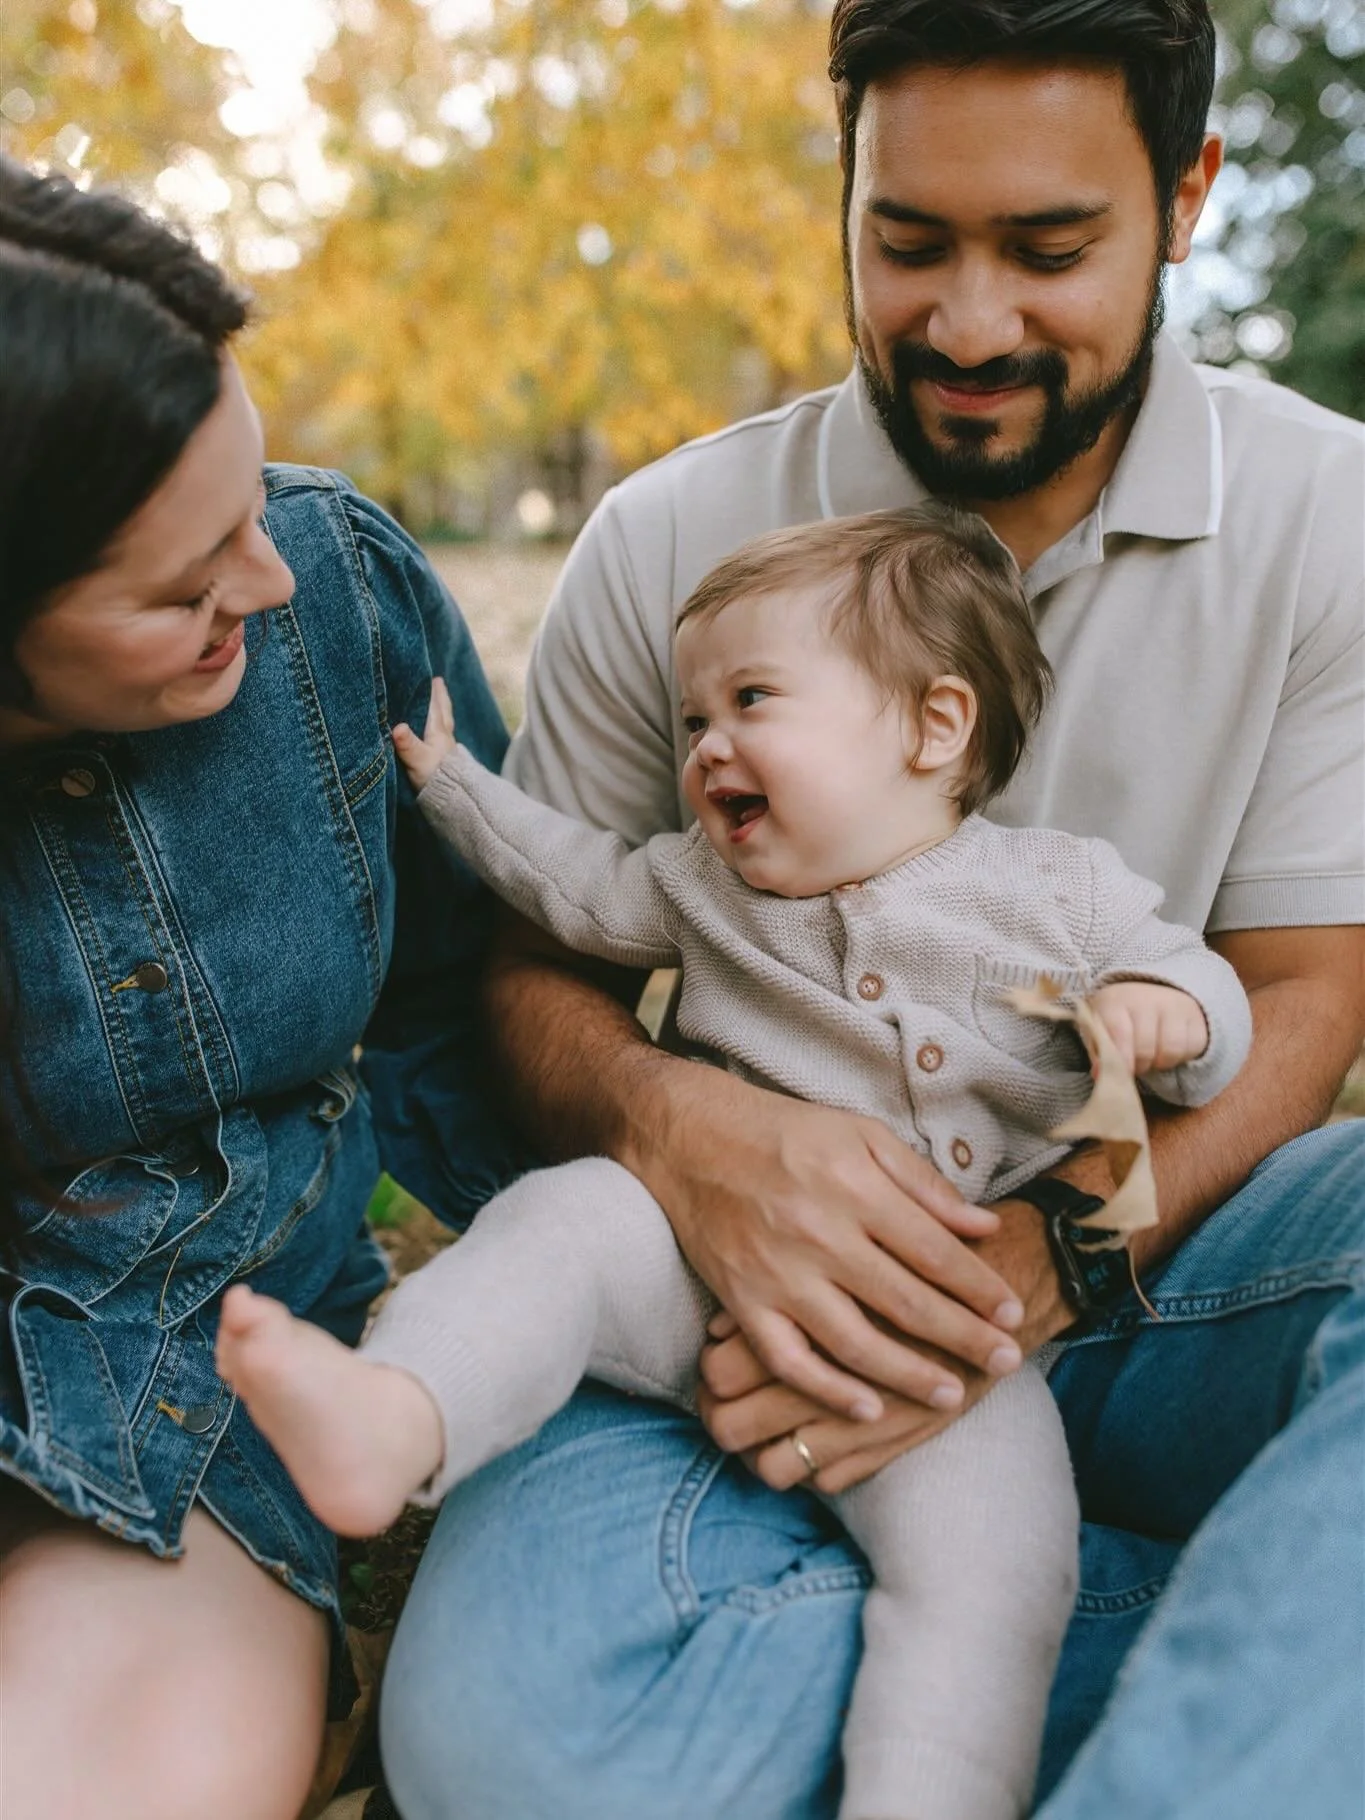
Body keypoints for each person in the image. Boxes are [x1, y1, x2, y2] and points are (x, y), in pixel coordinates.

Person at [377, 4, 1365, 1818]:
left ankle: (1091, 1671)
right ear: (845, 191)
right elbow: (543, 965)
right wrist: (687, 1135)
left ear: (1188, 196)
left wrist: (1042, 1269)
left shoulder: (1331, 515)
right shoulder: (668, 541)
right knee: (505, 1743)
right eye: (910, 241)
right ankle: (1240, 1650)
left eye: (1050, 250)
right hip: (752, 1321)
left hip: (1172, 1286)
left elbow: (1302, 991)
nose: (970, 325)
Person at [220, 505, 1252, 1820]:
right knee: (569, 1222)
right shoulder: (699, 887)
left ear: (935, 727)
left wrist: (1174, 1019)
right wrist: (453, 783)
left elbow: (1199, 988)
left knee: (998, 1579)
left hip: (938, 1338)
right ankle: (399, 1414)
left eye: (751, 700)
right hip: (694, 1275)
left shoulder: (1062, 891)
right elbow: (571, 881)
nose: (707, 746)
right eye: (694, 717)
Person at [0, 158, 518, 1820]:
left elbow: (474, 987)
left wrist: (586, 1270)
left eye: (249, 500)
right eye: (184, 583)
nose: (272, 577)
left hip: (182, 1352)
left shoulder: (332, 579)